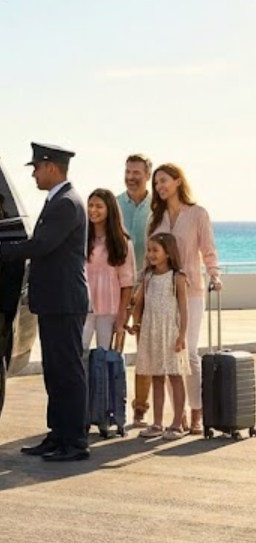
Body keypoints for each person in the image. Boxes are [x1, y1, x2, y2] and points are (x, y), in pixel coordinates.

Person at [0, 142, 90, 462]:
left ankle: (75, 441)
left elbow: (41, 245)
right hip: (55, 300)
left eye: (37, 168)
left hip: (64, 301)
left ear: (52, 167)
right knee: (55, 372)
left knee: (68, 372)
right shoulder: (58, 200)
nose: (34, 175)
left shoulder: (67, 203)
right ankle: (58, 435)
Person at [147, 163, 221, 434]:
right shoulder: (155, 217)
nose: (159, 187)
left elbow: (208, 249)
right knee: (170, 357)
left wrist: (214, 274)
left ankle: (197, 412)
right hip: (162, 292)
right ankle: (178, 417)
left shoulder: (198, 214)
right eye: (156, 183)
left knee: (188, 353)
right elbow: (150, 254)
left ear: (178, 181)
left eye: (164, 181)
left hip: (191, 292)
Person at [128, 233, 191, 440]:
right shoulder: (148, 276)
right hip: (151, 331)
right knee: (156, 376)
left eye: (156, 250)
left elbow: (183, 308)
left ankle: (177, 424)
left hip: (170, 332)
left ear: (168, 252)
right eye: (149, 250)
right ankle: (157, 423)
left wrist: (182, 335)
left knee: (175, 376)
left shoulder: (177, 277)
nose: (151, 254)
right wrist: (135, 324)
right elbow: (139, 303)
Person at [118, 154, 155, 425]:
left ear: (147, 175)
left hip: (148, 286)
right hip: (118, 286)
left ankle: (140, 408)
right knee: (112, 347)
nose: (131, 177)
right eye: (128, 172)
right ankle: (110, 405)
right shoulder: (115, 204)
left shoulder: (159, 205)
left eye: (136, 173)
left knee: (145, 351)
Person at [84, 189, 135, 353]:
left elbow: (127, 283)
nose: (93, 210)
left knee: (104, 355)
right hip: (83, 307)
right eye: (90, 205)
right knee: (79, 351)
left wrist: (122, 316)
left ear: (109, 209)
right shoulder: (82, 239)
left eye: (99, 206)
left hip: (109, 309)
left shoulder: (122, 243)